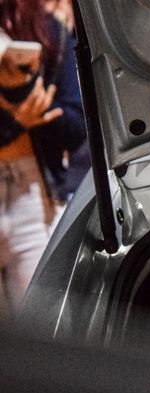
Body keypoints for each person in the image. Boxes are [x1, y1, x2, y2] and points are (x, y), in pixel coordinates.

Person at [0, 0, 86, 320]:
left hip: (33, 196)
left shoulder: (47, 29)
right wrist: (15, 120)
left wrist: (28, 100)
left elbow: (76, 127)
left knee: (47, 324)